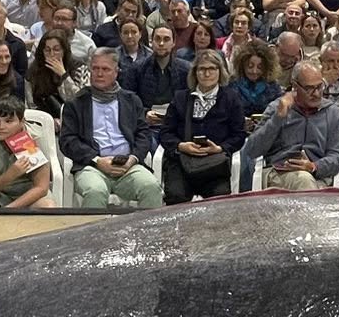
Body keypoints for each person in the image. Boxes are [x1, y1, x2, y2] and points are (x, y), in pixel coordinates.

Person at [59, 49, 163, 209]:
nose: (99, 73)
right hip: (92, 166)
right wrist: (97, 160)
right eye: (95, 68)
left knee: (151, 187)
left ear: (116, 72)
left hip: (128, 165)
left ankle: (149, 234)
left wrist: (132, 159)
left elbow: (143, 134)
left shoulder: (131, 100)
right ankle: (93, 235)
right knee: (95, 191)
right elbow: (68, 141)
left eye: (105, 69)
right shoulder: (76, 104)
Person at [244, 61, 339, 192]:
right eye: (309, 88)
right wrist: (278, 118)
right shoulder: (277, 108)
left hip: (318, 174)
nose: (316, 94)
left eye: (319, 87)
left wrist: (314, 166)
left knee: (306, 180)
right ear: (295, 86)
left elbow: (336, 156)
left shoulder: (333, 113)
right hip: (279, 173)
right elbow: (252, 150)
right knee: (304, 180)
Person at [159, 47, 244, 203]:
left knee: (219, 198)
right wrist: (181, 146)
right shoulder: (181, 98)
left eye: (212, 69)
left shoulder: (231, 98)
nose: (206, 73)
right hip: (182, 163)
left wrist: (220, 148)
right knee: (176, 195)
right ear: (195, 72)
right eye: (202, 69)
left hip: (214, 166)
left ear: (220, 71)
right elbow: (165, 133)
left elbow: (239, 135)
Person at [0, 95, 55, 209]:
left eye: (8, 121)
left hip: (29, 193)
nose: (1, 127)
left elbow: (41, 187)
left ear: (22, 122)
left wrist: (9, 209)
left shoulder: (35, 138)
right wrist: (10, 175)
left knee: (47, 206)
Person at [26, 30, 83, 119]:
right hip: (43, 121)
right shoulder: (33, 71)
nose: (52, 54)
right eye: (47, 50)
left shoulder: (80, 68)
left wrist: (64, 75)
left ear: (64, 50)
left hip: (74, 119)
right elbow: (30, 105)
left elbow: (80, 103)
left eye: (56, 50)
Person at [231, 41, 283, 127]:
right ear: (242, 66)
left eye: (260, 67)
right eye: (250, 66)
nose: (254, 71)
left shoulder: (274, 88)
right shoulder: (231, 86)